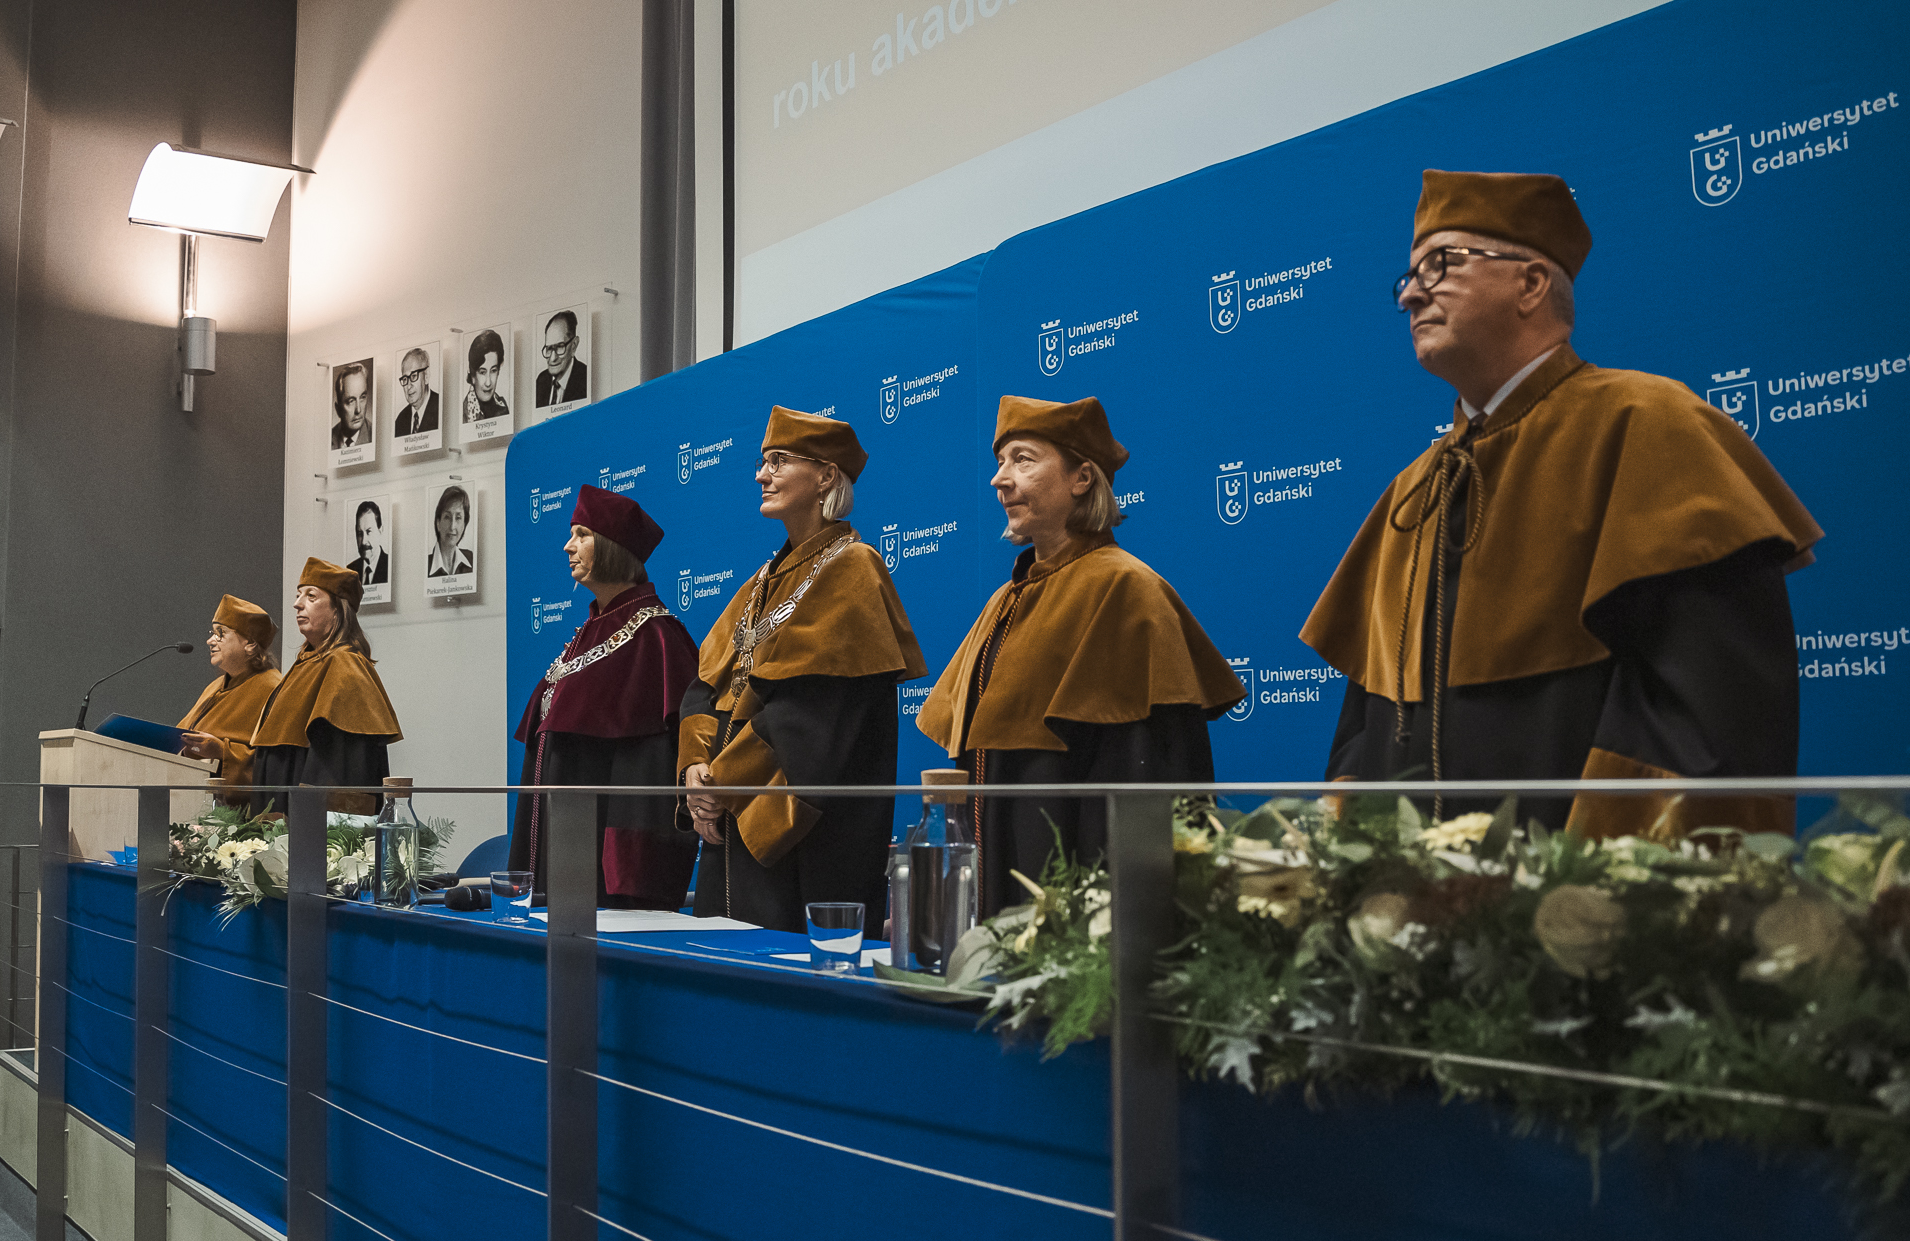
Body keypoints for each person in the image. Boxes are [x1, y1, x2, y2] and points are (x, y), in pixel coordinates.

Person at [1300, 169, 1823, 837]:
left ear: (1530, 284)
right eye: (1409, 276)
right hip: (1412, 891)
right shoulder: (1413, 489)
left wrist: (1585, 889)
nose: (1410, 294)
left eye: (1442, 264)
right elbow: (1363, 729)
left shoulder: (1647, 426)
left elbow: (1711, 714)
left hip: (1572, 887)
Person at [919, 396, 1243, 918]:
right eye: (1000, 462)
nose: (1000, 479)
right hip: (1002, 865)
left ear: (1082, 478)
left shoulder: (1126, 588)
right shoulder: (1006, 598)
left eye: (1023, 460)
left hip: (1080, 881)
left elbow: (1142, 779)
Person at [680, 407, 926, 933]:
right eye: (762, 462)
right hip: (732, 817)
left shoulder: (853, 567)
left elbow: (816, 714)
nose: (760, 475)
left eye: (778, 461)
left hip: (800, 830)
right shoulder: (760, 581)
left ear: (825, 476)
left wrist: (722, 782)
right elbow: (705, 683)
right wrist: (695, 770)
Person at [510, 487, 700, 908]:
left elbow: (650, 772)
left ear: (614, 546)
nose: (568, 546)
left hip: (602, 872)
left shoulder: (656, 637)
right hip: (560, 846)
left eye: (582, 534)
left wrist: (629, 873)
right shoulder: (591, 629)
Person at [248, 557, 402, 816]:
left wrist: (308, 820)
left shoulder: (345, 666)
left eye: (311, 596)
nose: (297, 604)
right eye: (298, 595)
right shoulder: (305, 663)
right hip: (279, 811)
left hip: (308, 818)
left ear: (338, 609)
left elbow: (342, 764)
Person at [176, 595, 283, 801]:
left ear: (250, 643)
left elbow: (274, 764)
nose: (210, 641)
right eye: (212, 633)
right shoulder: (215, 686)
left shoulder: (273, 688)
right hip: (191, 798)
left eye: (220, 633)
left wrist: (221, 751)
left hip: (237, 812)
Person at [534, 311, 588, 408]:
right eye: (549, 349)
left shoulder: (585, 378)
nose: (553, 358)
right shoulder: (541, 381)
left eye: (560, 347)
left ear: (574, 345)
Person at [464, 329, 510, 421]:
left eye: (493, 371)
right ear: (473, 376)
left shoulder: (503, 407)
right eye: (482, 372)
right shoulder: (463, 415)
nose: (488, 383)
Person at [428, 485, 474, 577]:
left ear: (464, 524)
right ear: (438, 523)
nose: (452, 526)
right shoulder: (425, 565)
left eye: (458, 518)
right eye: (447, 517)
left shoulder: (472, 559)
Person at [393, 347, 439, 435]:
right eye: (405, 379)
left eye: (413, 376)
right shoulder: (400, 421)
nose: (408, 386)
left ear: (426, 376)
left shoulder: (441, 407)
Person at [331, 363, 373, 449]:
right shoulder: (327, 439)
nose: (358, 410)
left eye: (362, 397)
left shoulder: (375, 434)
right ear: (338, 409)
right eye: (351, 401)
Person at [353, 500, 390, 587]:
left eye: (369, 532)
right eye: (359, 534)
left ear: (380, 531)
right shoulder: (350, 571)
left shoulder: (389, 565)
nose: (363, 541)